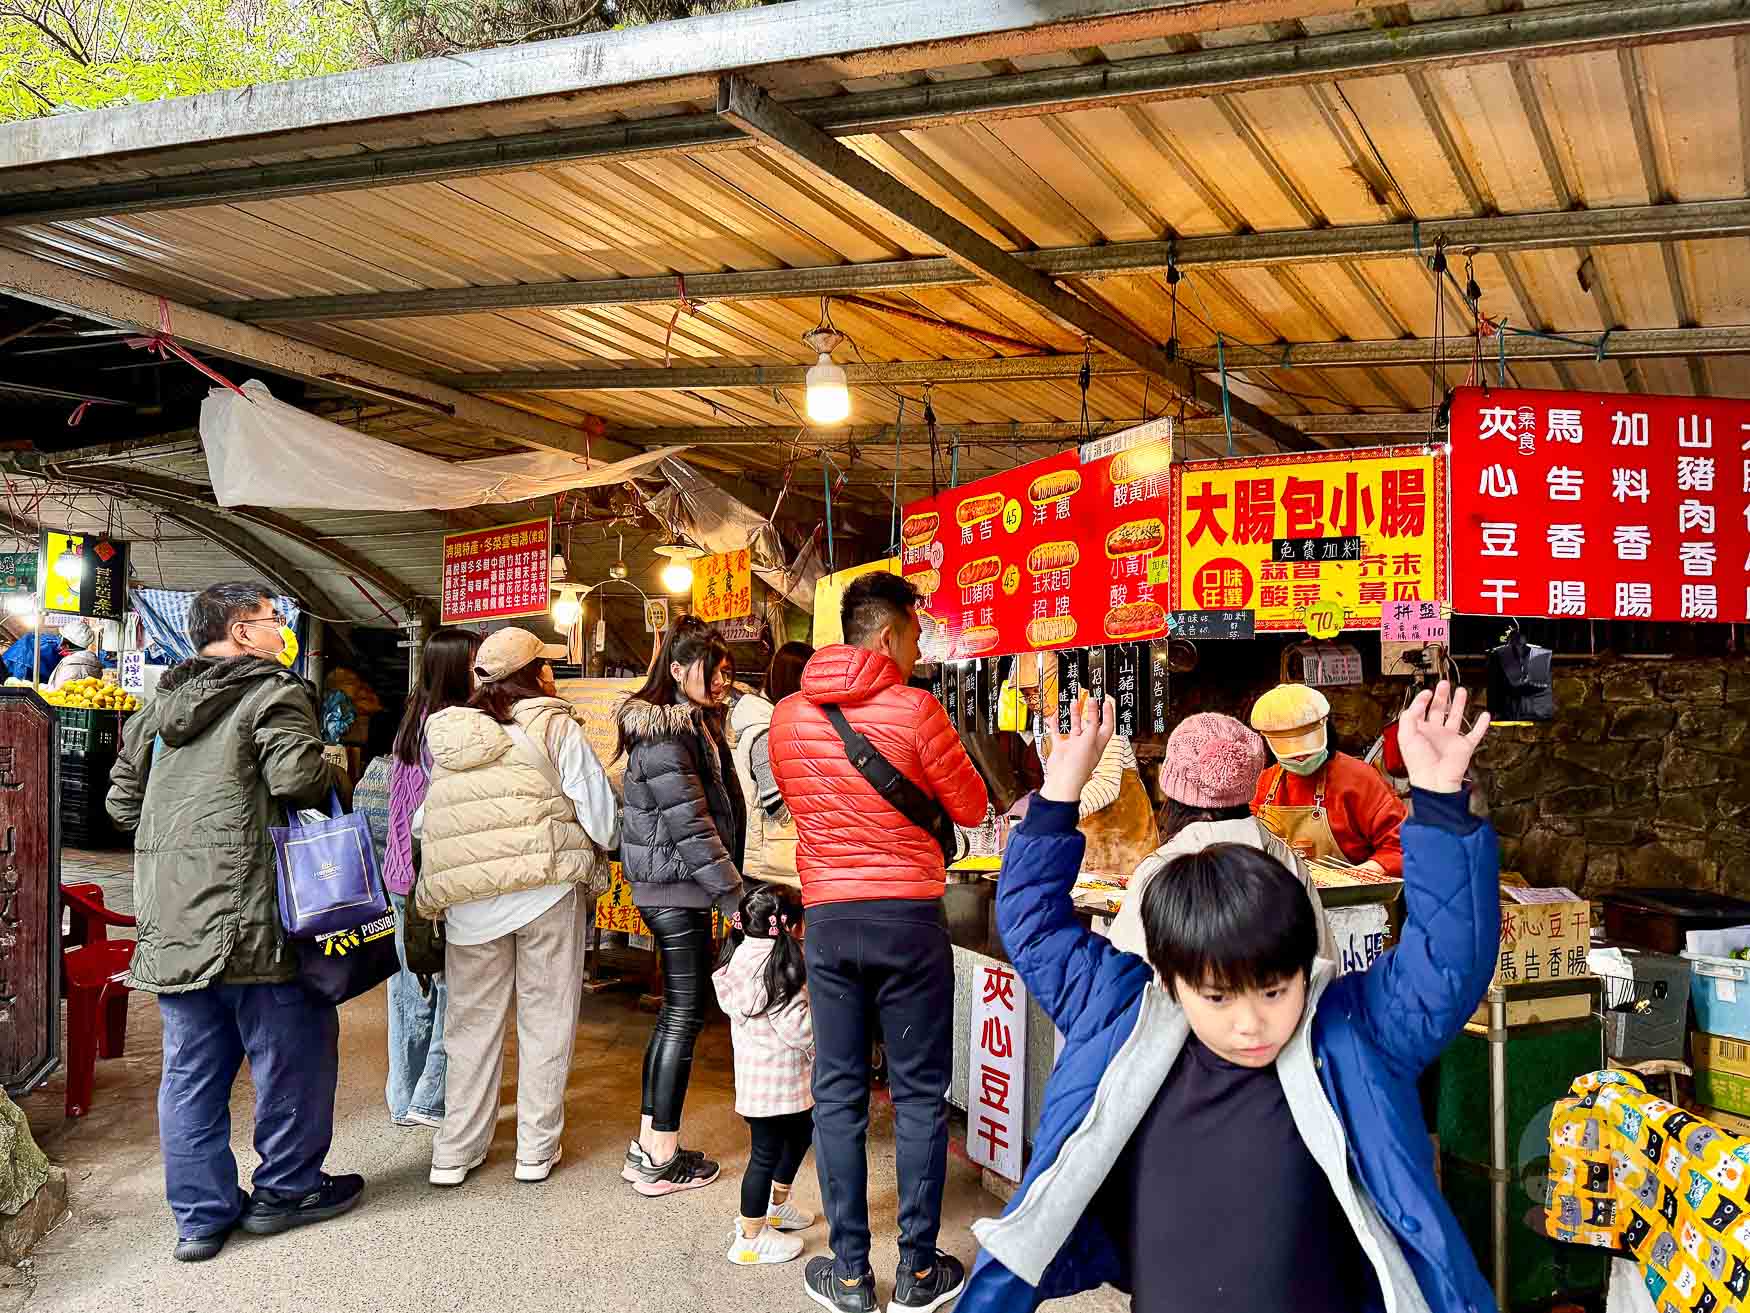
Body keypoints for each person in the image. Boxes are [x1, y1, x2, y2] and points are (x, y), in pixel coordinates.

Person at [956, 683, 1498, 1313]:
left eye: (1274, 989)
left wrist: (1439, 804)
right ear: (1171, 977)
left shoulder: (1354, 1035)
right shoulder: (1121, 1010)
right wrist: (1058, 795)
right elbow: (1035, 922)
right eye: (1216, 997)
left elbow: (1446, 959)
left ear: (1305, 966)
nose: (1251, 1024)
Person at [106, 582, 356, 1263]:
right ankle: (287, 1188)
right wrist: (331, 756)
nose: (282, 630)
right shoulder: (272, 691)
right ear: (243, 632)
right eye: (275, 619)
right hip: (252, 918)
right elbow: (298, 780)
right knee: (292, 1053)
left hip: (173, 918)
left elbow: (121, 806)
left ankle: (201, 1218)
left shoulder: (156, 708)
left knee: (190, 1071)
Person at [768, 571, 989, 1313]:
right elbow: (971, 803)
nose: (922, 645)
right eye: (918, 632)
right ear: (889, 632)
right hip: (909, 919)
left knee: (836, 1090)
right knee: (920, 1091)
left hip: (828, 922)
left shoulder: (788, 718)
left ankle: (852, 1273)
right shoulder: (917, 708)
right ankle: (920, 1272)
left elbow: (803, 807)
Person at [414, 627, 617, 1187]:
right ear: (534, 674)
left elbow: (423, 822)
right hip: (546, 891)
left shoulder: (452, 734)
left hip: (470, 907)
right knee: (545, 1021)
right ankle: (533, 1150)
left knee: (470, 1028)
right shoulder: (555, 727)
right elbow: (600, 817)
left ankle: (454, 1152)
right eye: (547, 665)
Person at [617, 617, 746, 1196]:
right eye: (713, 670)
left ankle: (649, 1145)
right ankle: (660, 1156)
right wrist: (733, 895)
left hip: (673, 888)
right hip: (676, 890)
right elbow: (691, 826)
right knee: (683, 1016)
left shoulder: (691, 727)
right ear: (675, 671)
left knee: (677, 1014)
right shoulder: (668, 736)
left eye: (727, 670)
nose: (723, 679)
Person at [1107, 712, 1333, 963]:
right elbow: (1322, 963)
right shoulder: (1286, 861)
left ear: (1174, 794)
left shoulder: (1160, 870)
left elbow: (1128, 975)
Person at [379, 626, 478, 1129]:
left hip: (401, 873)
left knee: (408, 986)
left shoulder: (413, 720)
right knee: (449, 985)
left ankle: (404, 1095)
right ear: (458, 667)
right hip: (434, 873)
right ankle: (430, 1098)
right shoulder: (450, 726)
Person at [712, 884, 817, 1267]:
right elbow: (797, 1028)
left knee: (801, 1132)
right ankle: (750, 1237)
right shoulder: (781, 965)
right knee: (764, 1155)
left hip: (759, 1082)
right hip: (781, 1080)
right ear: (788, 925)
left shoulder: (741, 955)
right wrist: (824, 1037)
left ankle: (777, 1204)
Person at [1250, 683, 1407, 878]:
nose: (1300, 757)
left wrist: (1353, 877)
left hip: (1354, 901)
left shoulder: (1360, 779)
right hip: (1288, 899)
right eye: (1290, 750)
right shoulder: (1262, 782)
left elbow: (1402, 847)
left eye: (1306, 747)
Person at [730, 641, 813, 889]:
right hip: (771, 867)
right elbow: (775, 805)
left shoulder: (770, 724)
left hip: (774, 862)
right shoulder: (765, 732)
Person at [47, 617, 102, 690]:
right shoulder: (90, 661)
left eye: (62, 638)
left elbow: (61, 692)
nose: (60, 645)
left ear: (67, 643)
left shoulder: (72, 666)